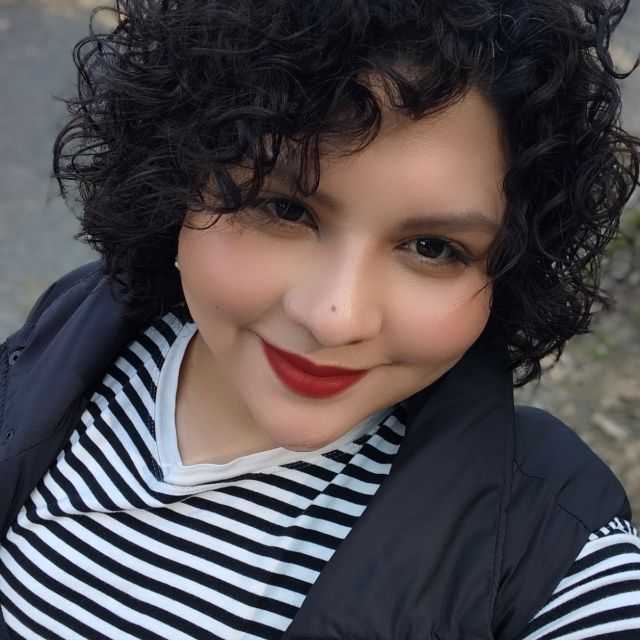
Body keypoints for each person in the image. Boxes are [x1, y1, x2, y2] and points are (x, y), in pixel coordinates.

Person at [1, 0, 639, 638]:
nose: (335, 318)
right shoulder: (77, 325)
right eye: (284, 209)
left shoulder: (547, 542)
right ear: (181, 178)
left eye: (432, 248)